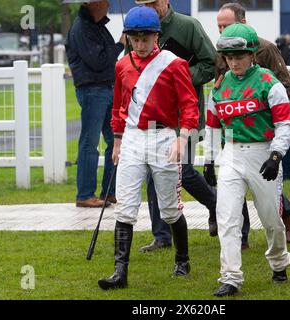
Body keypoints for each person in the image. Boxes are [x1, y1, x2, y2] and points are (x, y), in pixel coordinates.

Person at [97, 6, 199, 290]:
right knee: (125, 207)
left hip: (163, 137)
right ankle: (120, 272)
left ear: (157, 35)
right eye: (135, 38)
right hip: (131, 138)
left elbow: (189, 105)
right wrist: (116, 140)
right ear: (128, 37)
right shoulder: (122, 65)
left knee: (168, 209)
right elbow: (119, 105)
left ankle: (182, 259)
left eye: (146, 38)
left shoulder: (174, 63)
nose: (140, 44)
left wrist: (183, 137)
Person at [207, 23, 290, 297]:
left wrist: (276, 155)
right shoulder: (219, 86)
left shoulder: (269, 82)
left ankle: (279, 262)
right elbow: (212, 126)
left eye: (239, 57)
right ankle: (230, 277)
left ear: (253, 55)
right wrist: (209, 160)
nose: (234, 63)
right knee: (228, 217)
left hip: (264, 152)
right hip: (232, 154)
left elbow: (284, 124)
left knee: (270, 217)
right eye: (229, 58)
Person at [134, 0, 219, 253]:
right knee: (152, 174)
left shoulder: (188, 26)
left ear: (165, 1)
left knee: (183, 170)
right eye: (144, 3)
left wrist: (176, 77)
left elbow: (211, 63)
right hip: (152, 117)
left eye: (153, 2)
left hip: (185, 115)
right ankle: (161, 236)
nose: (150, 7)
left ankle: (216, 205)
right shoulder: (138, 29)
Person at [65, 0, 124, 208]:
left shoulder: (95, 27)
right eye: (105, 2)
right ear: (94, 5)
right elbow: (98, 62)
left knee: (115, 141)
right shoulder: (82, 29)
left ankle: (109, 191)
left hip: (104, 88)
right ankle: (85, 194)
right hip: (92, 90)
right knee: (90, 143)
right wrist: (120, 45)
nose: (108, 5)